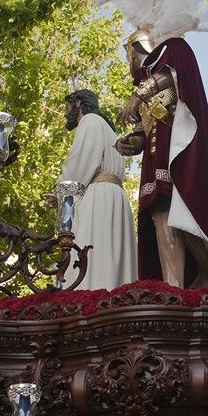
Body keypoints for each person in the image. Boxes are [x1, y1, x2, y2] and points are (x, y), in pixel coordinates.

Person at [86, 0, 208, 288]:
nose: (128, 60)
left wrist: (138, 95)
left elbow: (171, 78)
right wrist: (135, 139)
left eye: (130, 52)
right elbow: (151, 121)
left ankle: (189, 282)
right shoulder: (154, 67)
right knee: (159, 212)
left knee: (176, 210)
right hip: (156, 156)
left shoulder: (173, 49)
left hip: (179, 156)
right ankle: (173, 285)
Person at [59, 89, 137, 290]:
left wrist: (59, 190)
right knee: (112, 258)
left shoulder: (90, 121)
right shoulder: (108, 129)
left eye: (67, 107)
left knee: (92, 255)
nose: (66, 114)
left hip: (98, 197)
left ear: (78, 103)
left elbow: (80, 162)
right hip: (116, 198)